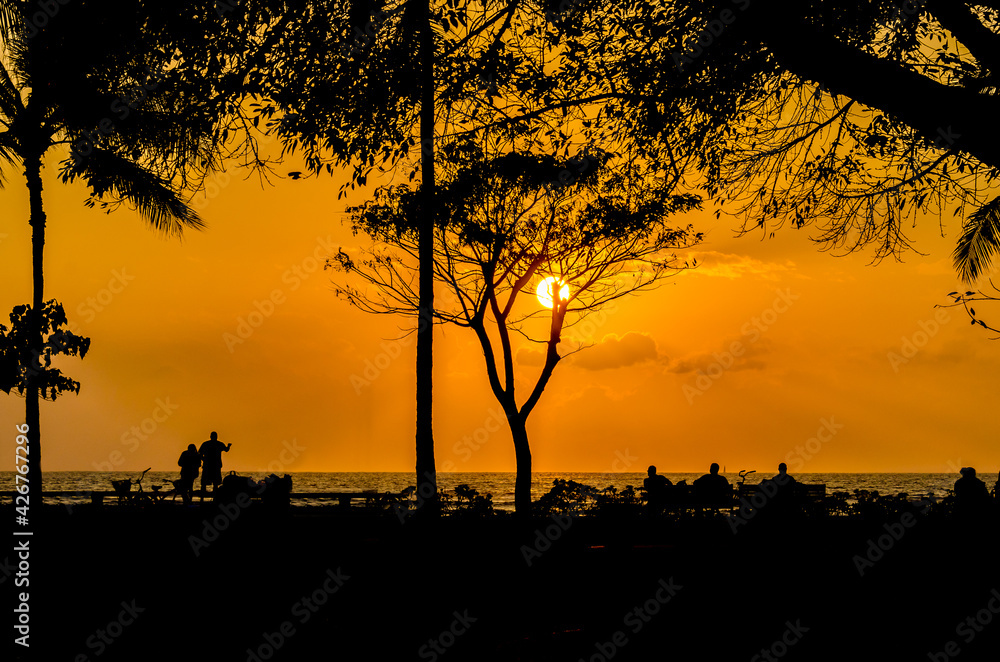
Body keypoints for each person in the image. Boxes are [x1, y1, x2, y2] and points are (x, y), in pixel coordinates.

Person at [198, 431, 232, 500]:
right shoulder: (218, 444)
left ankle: (204, 498)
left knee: (207, 483)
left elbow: (199, 453)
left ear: (210, 436)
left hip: (210, 466)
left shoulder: (206, 444)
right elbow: (226, 449)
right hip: (214, 466)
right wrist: (228, 446)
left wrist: (203, 459)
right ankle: (214, 498)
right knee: (213, 483)